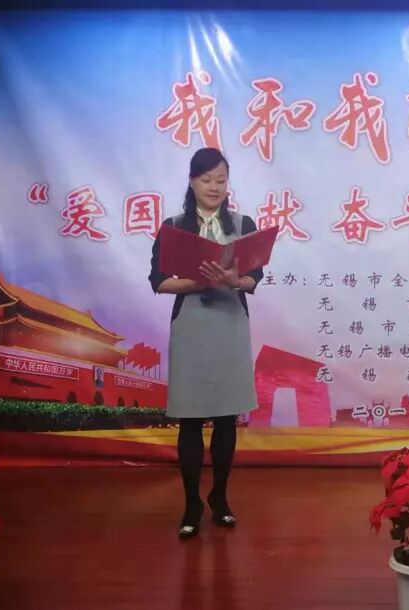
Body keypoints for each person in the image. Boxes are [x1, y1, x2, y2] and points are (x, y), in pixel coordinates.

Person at [149, 147, 264, 540]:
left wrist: (234, 281)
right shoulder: (174, 227)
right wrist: (198, 282)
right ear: (192, 181)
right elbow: (158, 281)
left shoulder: (243, 224)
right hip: (192, 327)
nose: (214, 187)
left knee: (227, 419)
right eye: (206, 179)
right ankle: (191, 504)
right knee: (191, 420)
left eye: (221, 180)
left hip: (230, 325)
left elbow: (255, 277)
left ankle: (220, 497)